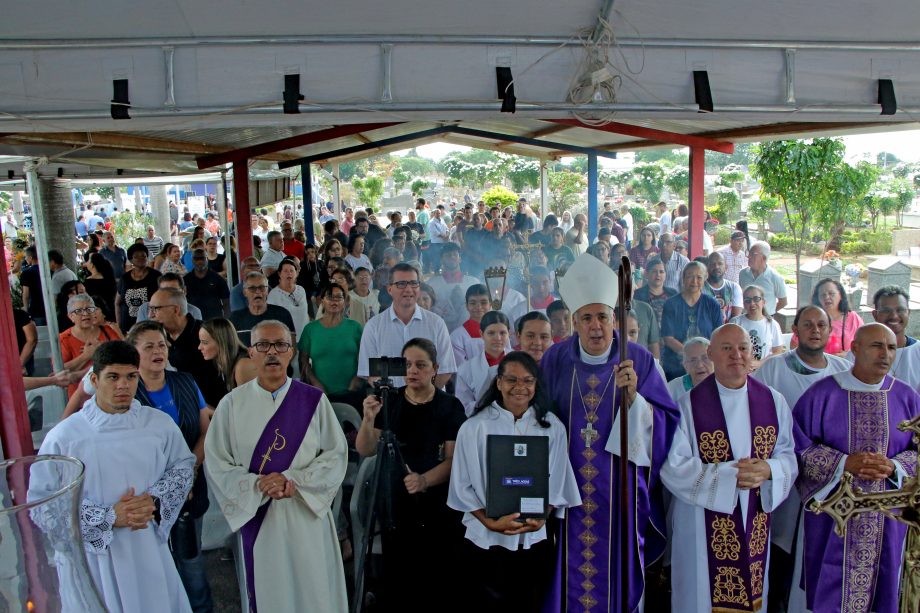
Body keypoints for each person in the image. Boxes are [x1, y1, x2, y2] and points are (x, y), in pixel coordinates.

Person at [541, 253, 680, 611]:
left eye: (603, 316)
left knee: (616, 575)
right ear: (574, 322)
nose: (596, 326)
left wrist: (635, 399)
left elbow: (666, 423)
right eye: (587, 318)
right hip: (567, 491)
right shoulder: (555, 360)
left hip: (620, 493)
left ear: (614, 318)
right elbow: (538, 416)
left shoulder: (638, 360)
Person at [35, 340, 195, 612]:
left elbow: (182, 467)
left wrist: (154, 501)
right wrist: (108, 516)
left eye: (131, 376)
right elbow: (43, 504)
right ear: (95, 380)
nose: (123, 385)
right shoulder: (65, 437)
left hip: (147, 547)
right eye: (113, 377)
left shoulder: (159, 425)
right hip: (94, 557)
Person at [205, 320, 348, 612]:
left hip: (305, 513)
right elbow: (218, 462)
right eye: (263, 345)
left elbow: (335, 454)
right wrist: (256, 485)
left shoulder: (313, 400)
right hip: (260, 518)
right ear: (251, 353)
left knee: (314, 589)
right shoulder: (231, 405)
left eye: (280, 345)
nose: (272, 352)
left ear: (291, 352)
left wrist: (292, 480)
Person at [661, 323, 798, 613]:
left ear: (752, 353)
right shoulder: (687, 406)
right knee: (700, 598)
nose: (737, 354)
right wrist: (729, 477)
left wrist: (769, 470)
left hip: (755, 518)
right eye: (727, 348)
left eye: (743, 348)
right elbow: (673, 466)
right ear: (711, 353)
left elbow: (788, 454)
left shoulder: (774, 402)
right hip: (701, 521)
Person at [793, 323, 920, 613]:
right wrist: (843, 463)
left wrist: (895, 466)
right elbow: (797, 447)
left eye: (890, 347)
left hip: (888, 517)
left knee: (885, 591)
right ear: (855, 349)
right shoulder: (822, 394)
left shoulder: (907, 397)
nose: (885, 354)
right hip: (834, 516)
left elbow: (917, 451)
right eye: (876, 346)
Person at [448, 351, 581, 610]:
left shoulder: (552, 427)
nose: (520, 387)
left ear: (536, 384)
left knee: (529, 603)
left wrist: (541, 517)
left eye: (528, 381)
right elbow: (461, 485)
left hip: (533, 537)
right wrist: (489, 521)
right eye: (511, 380)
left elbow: (558, 480)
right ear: (498, 382)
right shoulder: (475, 427)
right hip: (485, 538)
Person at [752, 305, 851, 612]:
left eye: (821, 324)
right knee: (782, 551)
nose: (815, 330)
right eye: (807, 324)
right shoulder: (773, 369)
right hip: (785, 475)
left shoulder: (841, 371)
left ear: (830, 330)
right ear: (795, 329)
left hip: (829, 478)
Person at [355, 338, 467, 608]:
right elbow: (366, 449)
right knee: (399, 571)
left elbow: (455, 460)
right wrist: (369, 419)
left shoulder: (449, 406)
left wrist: (424, 480)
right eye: (407, 365)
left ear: (435, 368)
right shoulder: (389, 401)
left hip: (436, 495)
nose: (413, 370)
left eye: (421, 365)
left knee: (434, 572)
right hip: (395, 497)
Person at [126, 321, 213, 613]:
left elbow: (205, 429)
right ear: (134, 352)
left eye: (161, 344)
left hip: (191, 484)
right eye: (148, 346)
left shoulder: (185, 382)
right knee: (155, 564)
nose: (157, 351)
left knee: (191, 560)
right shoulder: (126, 395)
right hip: (146, 494)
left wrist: (188, 473)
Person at [358, 263, 457, 388]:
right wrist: (396, 401)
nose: (408, 289)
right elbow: (371, 374)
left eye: (413, 283)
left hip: (430, 404)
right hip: (391, 403)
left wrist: (424, 398)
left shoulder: (436, 323)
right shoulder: (373, 327)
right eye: (401, 284)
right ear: (389, 289)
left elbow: (445, 370)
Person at [661, 261, 723, 380]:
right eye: (690, 276)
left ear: (705, 279)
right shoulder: (671, 304)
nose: (694, 281)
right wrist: (691, 356)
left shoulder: (712, 304)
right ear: (683, 278)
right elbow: (668, 338)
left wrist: (701, 358)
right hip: (676, 366)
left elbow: (718, 336)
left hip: (706, 366)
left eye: (699, 277)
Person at [298, 283, 363, 398]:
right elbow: (303, 360)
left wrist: (358, 379)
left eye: (339, 297)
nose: (334, 301)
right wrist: (315, 384)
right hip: (320, 394)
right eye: (330, 297)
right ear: (322, 301)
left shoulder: (355, 327)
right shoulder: (310, 329)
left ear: (345, 302)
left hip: (352, 391)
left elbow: (365, 357)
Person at [60, 294, 121, 397]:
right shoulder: (64, 339)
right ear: (71, 316)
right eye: (79, 311)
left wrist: (104, 350)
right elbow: (60, 370)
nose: (85, 314)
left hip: (111, 392)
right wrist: (85, 356)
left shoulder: (107, 331)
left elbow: (123, 356)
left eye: (89, 309)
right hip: (79, 396)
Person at [863, 285, 920, 389]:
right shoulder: (859, 352)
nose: (894, 316)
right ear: (875, 315)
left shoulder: (918, 350)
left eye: (900, 310)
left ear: (909, 313)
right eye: (886, 311)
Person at [456, 311, 510, 414]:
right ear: (481, 334)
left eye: (502, 333)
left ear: (509, 333)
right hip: (481, 424)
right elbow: (463, 405)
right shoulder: (466, 369)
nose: (498, 338)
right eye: (491, 333)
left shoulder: (520, 362)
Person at [791, 278, 862, 356]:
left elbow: (864, 346)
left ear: (841, 295)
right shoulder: (809, 318)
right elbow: (794, 346)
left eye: (831, 293)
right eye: (823, 295)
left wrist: (848, 355)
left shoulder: (853, 318)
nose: (827, 297)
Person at [197, 318, 257, 407]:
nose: (199, 347)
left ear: (221, 342)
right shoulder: (221, 364)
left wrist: (210, 411)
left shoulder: (243, 365)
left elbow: (248, 410)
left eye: (205, 342)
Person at [230, 271, 296, 347]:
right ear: (245, 292)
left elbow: (292, 347)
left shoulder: (282, 314)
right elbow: (231, 350)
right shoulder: (235, 318)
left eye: (262, 288)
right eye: (252, 288)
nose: (258, 292)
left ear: (267, 290)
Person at [426, 243, 480, 332]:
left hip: (469, 332)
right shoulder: (432, 284)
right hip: (441, 331)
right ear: (441, 260)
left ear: (460, 259)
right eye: (447, 255)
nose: (452, 257)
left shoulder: (473, 282)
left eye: (455, 255)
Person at [730, 285, 785, 368]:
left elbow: (778, 351)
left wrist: (760, 363)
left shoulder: (772, 324)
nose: (752, 303)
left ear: (763, 302)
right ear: (743, 304)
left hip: (764, 371)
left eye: (756, 299)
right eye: (747, 300)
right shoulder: (735, 322)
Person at [117, 243, 161, 333]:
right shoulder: (125, 278)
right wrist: (118, 326)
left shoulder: (156, 276)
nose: (141, 258)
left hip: (150, 325)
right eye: (136, 256)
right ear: (130, 260)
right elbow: (117, 303)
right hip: (128, 326)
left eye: (143, 256)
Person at [739, 241, 787, 316]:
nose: (748, 256)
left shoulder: (775, 277)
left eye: (753, 254)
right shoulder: (742, 274)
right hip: (746, 318)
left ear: (763, 258)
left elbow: (783, 302)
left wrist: (768, 313)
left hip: (766, 319)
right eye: (748, 253)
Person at [181, 249, 230, 321]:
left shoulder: (218, 279)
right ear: (192, 260)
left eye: (202, 258)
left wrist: (225, 321)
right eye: (196, 258)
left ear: (207, 259)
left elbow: (226, 303)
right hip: (193, 321)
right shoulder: (185, 280)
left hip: (214, 321)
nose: (199, 261)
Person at [450, 284, 492, 365]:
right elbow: (461, 369)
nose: (478, 307)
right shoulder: (457, 336)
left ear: (490, 305)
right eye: (473, 303)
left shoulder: (500, 332)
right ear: (466, 306)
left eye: (483, 302)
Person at [267, 258, 310, 338]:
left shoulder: (301, 290)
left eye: (291, 271)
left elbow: (305, 314)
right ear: (279, 274)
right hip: (285, 339)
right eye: (285, 271)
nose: (289, 273)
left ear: (296, 273)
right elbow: (271, 321)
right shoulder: (273, 295)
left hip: (305, 336)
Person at [634, 256, 676, 332]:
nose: (658, 275)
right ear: (646, 274)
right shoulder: (638, 295)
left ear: (665, 274)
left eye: (661, 272)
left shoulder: (673, 294)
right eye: (654, 271)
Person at [665, 336, 713, 402]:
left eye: (705, 358)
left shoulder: (726, 384)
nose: (699, 365)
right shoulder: (672, 389)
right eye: (693, 360)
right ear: (685, 365)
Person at [704, 250, 743, 323]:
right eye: (712, 264)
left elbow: (736, 319)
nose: (716, 267)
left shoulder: (734, 287)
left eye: (720, 263)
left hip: (728, 331)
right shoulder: (700, 287)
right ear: (707, 267)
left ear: (726, 267)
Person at [83, 252, 118, 317]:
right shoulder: (109, 278)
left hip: (96, 314)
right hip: (111, 312)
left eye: (88, 260)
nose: (86, 263)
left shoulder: (89, 282)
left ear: (92, 264)